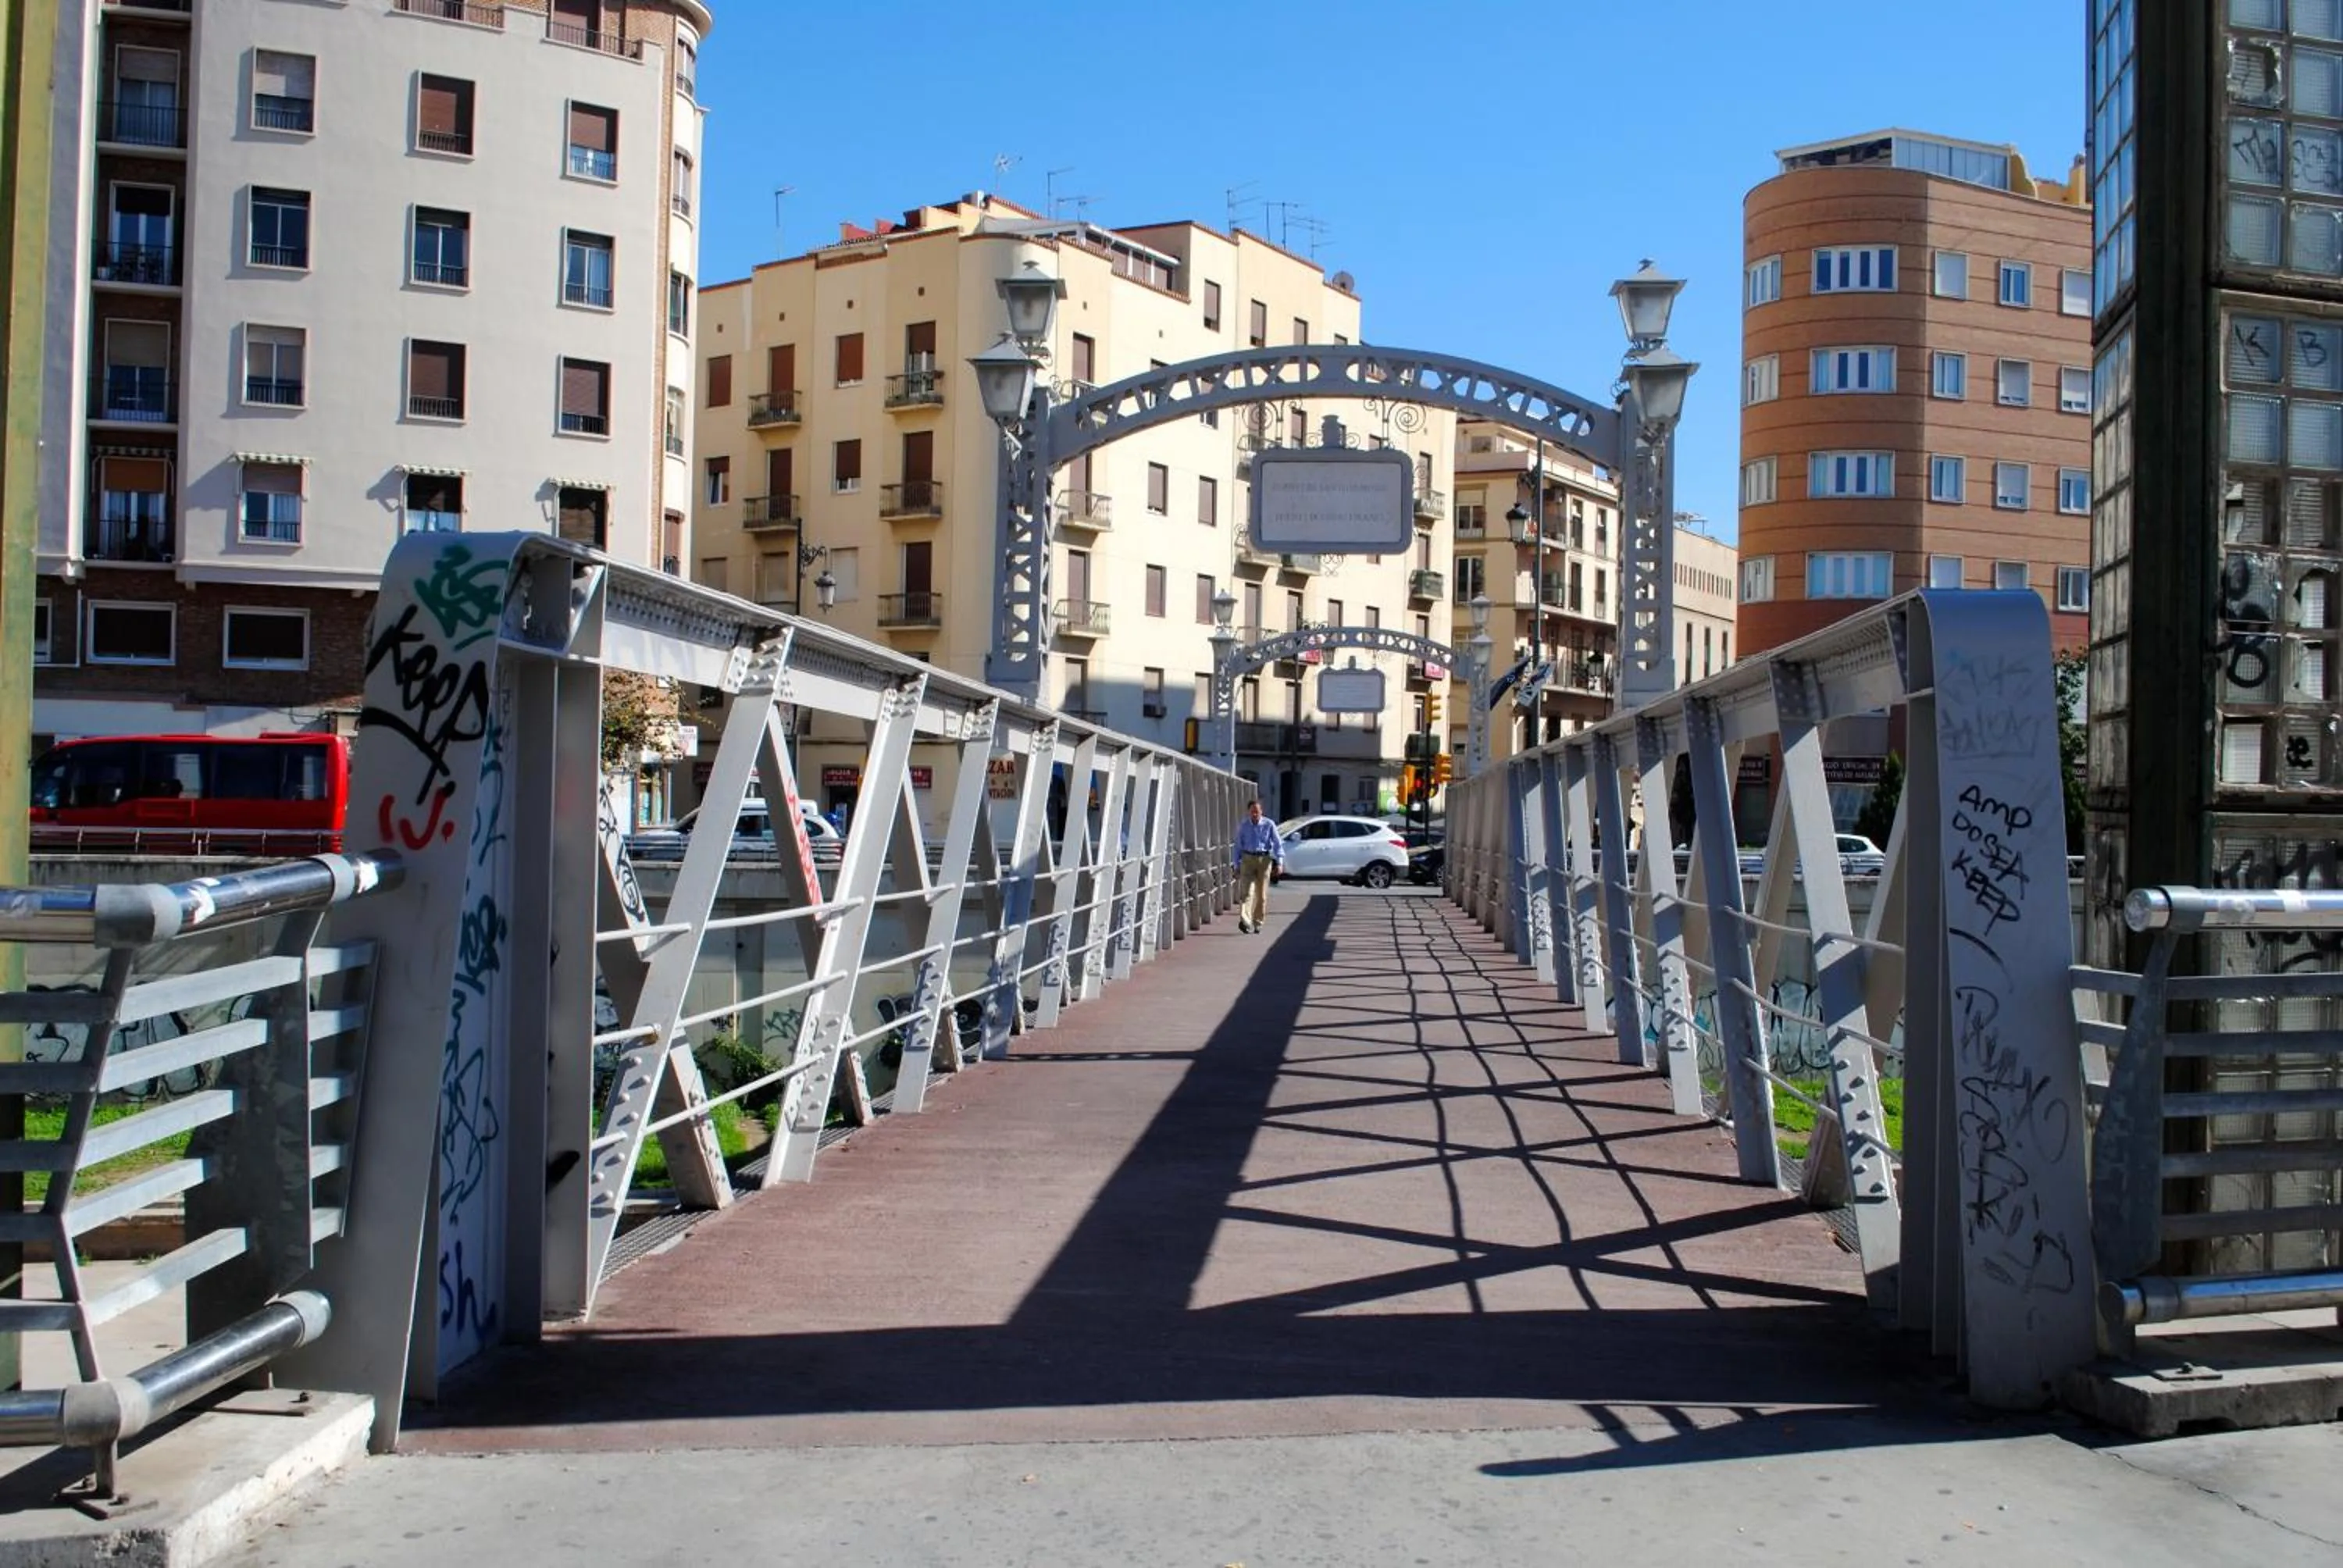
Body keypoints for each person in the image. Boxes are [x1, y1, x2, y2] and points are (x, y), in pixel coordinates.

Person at [1231, 799, 1283, 935]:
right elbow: (1237, 846)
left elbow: (1277, 844)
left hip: (1264, 860)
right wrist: (1236, 865)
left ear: (1261, 811)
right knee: (1246, 892)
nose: (1255, 814)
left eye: (1257, 811)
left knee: (1261, 895)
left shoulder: (1269, 824)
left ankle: (1258, 922)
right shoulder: (1243, 826)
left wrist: (1280, 862)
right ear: (1249, 812)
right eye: (1252, 811)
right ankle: (1245, 921)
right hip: (1248, 859)